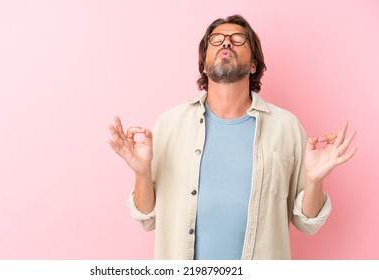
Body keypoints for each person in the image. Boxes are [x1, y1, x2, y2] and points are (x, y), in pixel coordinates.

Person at [108, 14, 356, 260]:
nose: (226, 43)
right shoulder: (169, 124)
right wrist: (141, 173)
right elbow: (146, 217)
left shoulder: (286, 127)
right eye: (216, 40)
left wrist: (313, 181)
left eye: (238, 39)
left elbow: (308, 223)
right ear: (204, 65)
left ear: (253, 65)